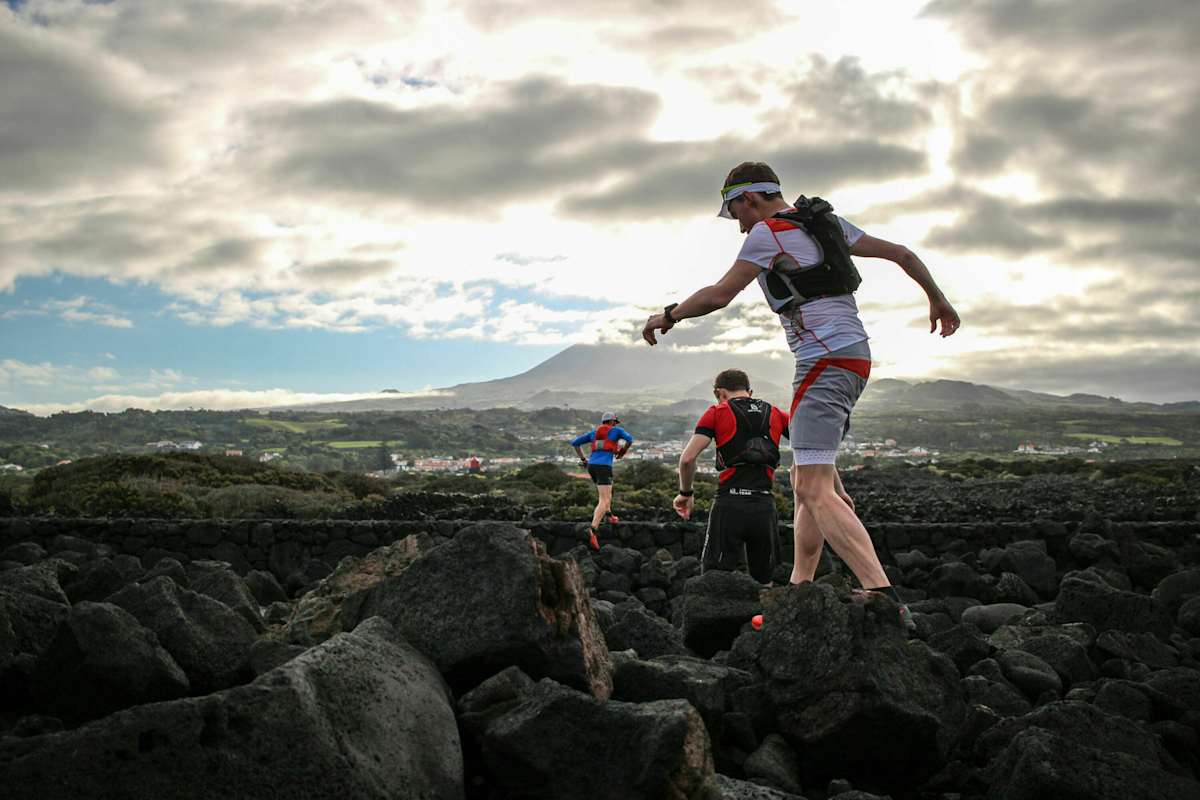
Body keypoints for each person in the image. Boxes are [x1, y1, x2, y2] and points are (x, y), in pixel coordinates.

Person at [641, 161, 961, 630]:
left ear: (749, 199)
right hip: (853, 358)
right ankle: (799, 587)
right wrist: (938, 297)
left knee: (813, 487)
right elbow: (901, 252)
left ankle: (885, 598)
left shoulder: (767, 232)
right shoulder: (822, 222)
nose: (739, 226)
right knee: (809, 483)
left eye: (736, 214)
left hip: (825, 361)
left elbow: (719, 295)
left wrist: (668, 315)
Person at [674, 369, 789, 584]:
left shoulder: (717, 411)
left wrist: (686, 493)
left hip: (729, 505)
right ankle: (761, 617)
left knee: (713, 581)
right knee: (765, 582)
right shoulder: (775, 413)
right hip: (764, 506)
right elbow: (810, 444)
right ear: (750, 391)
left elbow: (687, 459)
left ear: (720, 393)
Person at [570, 412, 633, 550]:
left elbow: (574, 443)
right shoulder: (617, 431)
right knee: (603, 501)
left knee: (605, 495)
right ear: (611, 422)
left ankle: (610, 516)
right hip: (604, 467)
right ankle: (593, 530)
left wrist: (583, 459)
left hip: (592, 467)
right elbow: (630, 439)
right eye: (615, 422)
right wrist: (623, 451)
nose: (615, 425)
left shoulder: (593, 433)